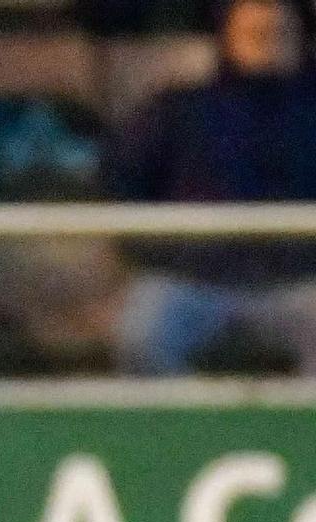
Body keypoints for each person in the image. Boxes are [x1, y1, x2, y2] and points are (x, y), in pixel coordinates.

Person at [108, 0, 316, 374]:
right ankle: (177, 431)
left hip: (300, 284)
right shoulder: (177, 108)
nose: (267, 43)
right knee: (142, 337)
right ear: (227, 36)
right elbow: (121, 183)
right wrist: (159, 256)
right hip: (193, 282)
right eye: (255, 34)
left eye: (279, 34)